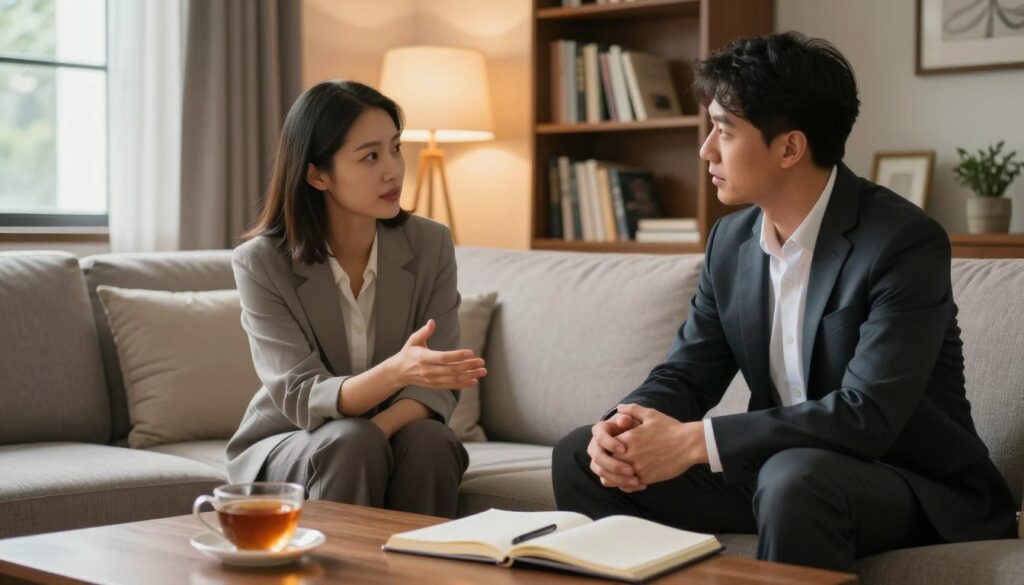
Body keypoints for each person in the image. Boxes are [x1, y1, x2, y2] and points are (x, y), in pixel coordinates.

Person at [551, 32, 1016, 571]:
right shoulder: (731, 241)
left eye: (723, 131)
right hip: (780, 473)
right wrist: (622, 427)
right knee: (579, 456)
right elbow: (687, 373)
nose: (706, 150)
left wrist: (695, 442)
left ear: (790, 147)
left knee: (794, 479)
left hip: (903, 480)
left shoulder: (902, 241)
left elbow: (867, 415)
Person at [226, 80, 487, 518]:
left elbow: (438, 388)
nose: (393, 171)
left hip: (381, 434)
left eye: (395, 148)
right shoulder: (261, 263)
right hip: (289, 438)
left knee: (431, 441)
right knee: (350, 442)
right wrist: (394, 373)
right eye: (370, 156)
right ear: (317, 174)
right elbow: (300, 395)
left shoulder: (431, 244)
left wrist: (377, 429)